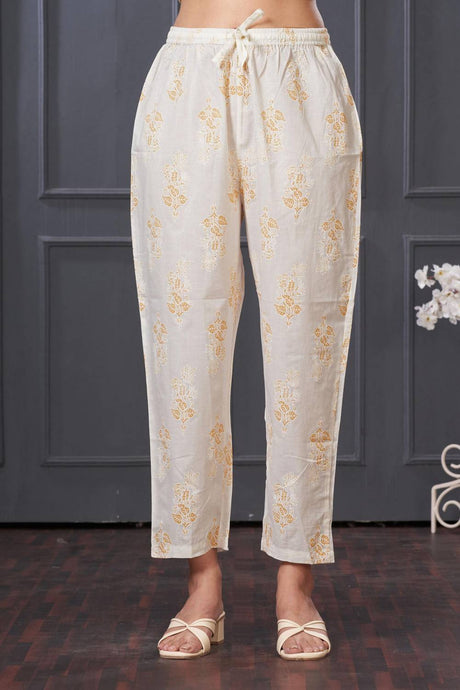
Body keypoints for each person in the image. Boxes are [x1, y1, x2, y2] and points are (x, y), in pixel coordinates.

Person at [130, 0, 363, 660]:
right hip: (187, 77)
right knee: (183, 334)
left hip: (299, 73)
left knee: (305, 330)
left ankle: (297, 584)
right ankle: (201, 583)